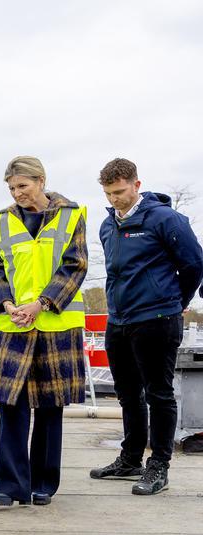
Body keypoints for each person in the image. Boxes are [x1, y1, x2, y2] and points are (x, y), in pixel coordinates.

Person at [89, 158, 203, 495]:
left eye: (121, 192)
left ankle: (159, 466)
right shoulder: (107, 226)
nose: (115, 199)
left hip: (157, 319)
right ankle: (130, 459)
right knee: (127, 395)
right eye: (109, 194)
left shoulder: (165, 219)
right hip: (119, 320)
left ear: (137, 185)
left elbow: (195, 264)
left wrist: (175, 301)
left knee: (159, 394)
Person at [0, 156, 88, 506]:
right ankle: (8, 485)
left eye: (23, 186)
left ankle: (43, 482)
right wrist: (7, 305)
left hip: (54, 325)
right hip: (14, 325)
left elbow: (75, 267)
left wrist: (41, 304)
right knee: (11, 406)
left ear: (41, 181)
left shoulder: (72, 215)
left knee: (48, 407)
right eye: (12, 188)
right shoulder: (2, 222)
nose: (17, 194)